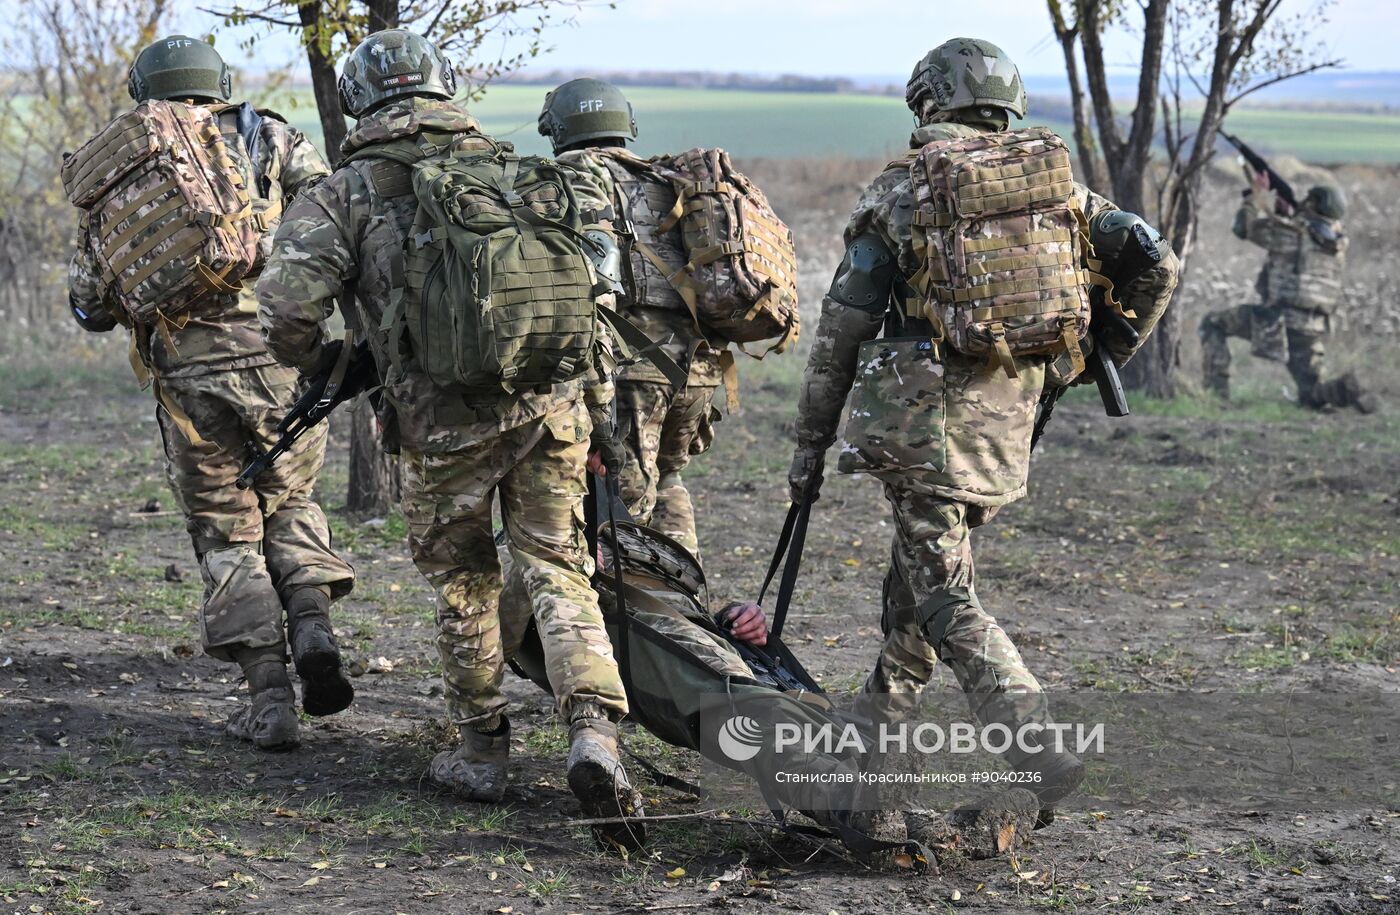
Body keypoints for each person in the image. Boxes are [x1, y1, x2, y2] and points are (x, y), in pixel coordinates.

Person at [254, 29, 645, 846]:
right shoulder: (516, 168)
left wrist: (336, 360)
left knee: (466, 583)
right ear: (445, 86)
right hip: (551, 404)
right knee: (558, 566)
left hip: (441, 426)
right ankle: (595, 734)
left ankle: (480, 751)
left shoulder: (347, 190)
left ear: (361, 98)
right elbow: (596, 290)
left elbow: (283, 309)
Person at [785, 38, 1179, 823]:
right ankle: (866, 771)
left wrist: (809, 443)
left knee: (943, 594)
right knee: (914, 594)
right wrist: (1088, 359)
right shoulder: (1060, 192)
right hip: (1008, 432)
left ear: (929, 101)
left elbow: (842, 330)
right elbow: (1157, 262)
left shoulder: (902, 193)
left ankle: (1036, 742)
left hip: (921, 432)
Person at [66, 35, 355, 752]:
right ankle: (313, 624)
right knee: (290, 499)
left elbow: (92, 302)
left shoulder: (120, 162)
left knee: (228, 529)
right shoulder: (272, 137)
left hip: (188, 380)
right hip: (283, 362)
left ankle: (268, 701)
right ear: (217, 83)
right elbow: (333, 228)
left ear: (146, 90)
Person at [536, 78, 731, 558]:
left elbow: (587, 291)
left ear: (557, 129)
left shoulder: (564, 182)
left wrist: (594, 403)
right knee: (668, 481)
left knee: (623, 518)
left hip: (630, 371)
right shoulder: (669, 181)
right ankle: (687, 607)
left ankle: (638, 624)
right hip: (698, 369)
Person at [1200, 172, 1372, 411]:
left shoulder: (1292, 233)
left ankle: (1216, 398)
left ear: (1312, 204)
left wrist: (1255, 194)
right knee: (1311, 395)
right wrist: (1285, 216)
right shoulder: (1337, 243)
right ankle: (1346, 389)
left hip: (1279, 321)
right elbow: (1301, 245)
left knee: (1212, 324)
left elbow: (1243, 227)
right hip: (1312, 327)